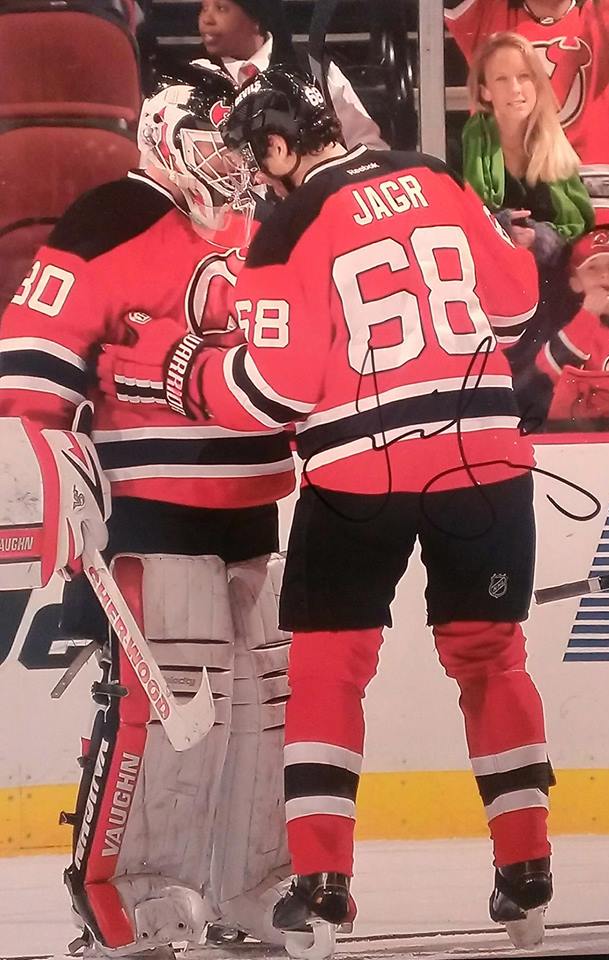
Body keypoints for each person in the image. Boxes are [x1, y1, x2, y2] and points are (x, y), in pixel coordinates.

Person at [97, 67, 556, 951]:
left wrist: (176, 364)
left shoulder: (286, 228)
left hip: (362, 482)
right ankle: (526, 874)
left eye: (256, 159)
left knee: (326, 671)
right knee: (492, 659)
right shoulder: (435, 174)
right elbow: (515, 307)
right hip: (488, 466)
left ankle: (320, 890)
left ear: (277, 146)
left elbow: (273, 391)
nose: (255, 179)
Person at [0, 65, 297, 959]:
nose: (235, 168)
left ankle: (259, 885)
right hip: (151, 506)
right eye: (217, 146)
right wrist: (48, 477)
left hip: (256, 498)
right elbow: (28, 367)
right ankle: (130, 890)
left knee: (267, 698)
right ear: (167, 139)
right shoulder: (109, 218)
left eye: (243, 150)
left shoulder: (268, 227)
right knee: (174, 697)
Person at [463, 30, 594, 419]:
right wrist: (500, 229)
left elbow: (579, 223)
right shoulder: (473, 138)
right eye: (501, 79)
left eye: (524, 77)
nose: (515, 89)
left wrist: (544, 238)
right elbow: (467, 215)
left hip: (556, 299)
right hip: (499, 297)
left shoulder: (556, 144)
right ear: (485, 91)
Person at [445, 0, 609, 224]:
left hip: (596, 204)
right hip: (506, 206)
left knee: (607, 256)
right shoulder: (487, 14)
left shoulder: (607, 10)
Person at [193, 0, 389, 150]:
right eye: (204, 7)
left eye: (221, 8)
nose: (206, 20)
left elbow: (366, 143)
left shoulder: (310, 66)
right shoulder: (194, 77)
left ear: (256, 16)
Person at [536, 229, 609, 418]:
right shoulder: (574, 332)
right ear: (576, 282)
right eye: (592, 267)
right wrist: (588, 315)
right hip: (596, 439)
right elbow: (544, 378)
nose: (604, 275)